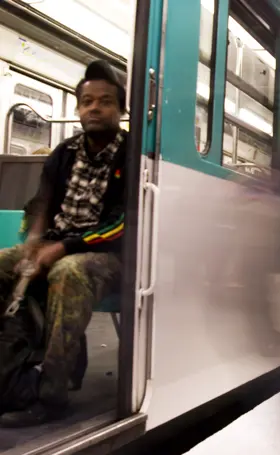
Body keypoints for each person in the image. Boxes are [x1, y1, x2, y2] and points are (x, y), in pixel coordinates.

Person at [0, 60, 126, 427]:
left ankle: (51, 395)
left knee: (69, 272)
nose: (95, 108)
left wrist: (63, 248)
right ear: (78, 109)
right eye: (87, 102)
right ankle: (9, 374)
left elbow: (124, 223)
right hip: (59, 243)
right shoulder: (64, 153)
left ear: (120, 109)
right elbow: (41, 203)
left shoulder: (133, 155)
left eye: (105, 101)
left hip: (109, 254)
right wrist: (34, 244)